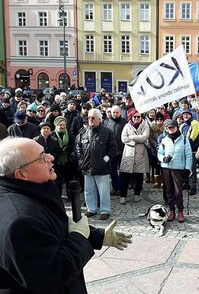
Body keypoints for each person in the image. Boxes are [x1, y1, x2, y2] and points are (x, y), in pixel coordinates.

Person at [0, 137, 131, 293]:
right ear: (21, 174)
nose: (51, 158)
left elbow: (54, 226)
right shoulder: (20, 221)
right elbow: (52, 275)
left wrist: (97, 236)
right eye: (42, 158)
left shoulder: (32, 189)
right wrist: (79, 237)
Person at [76, 108, 117, 220]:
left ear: (99, 119)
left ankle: (105, 210)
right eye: (89, 117)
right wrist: (81, 160)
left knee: (103, 191)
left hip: (102, 167)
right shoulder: (83, 132)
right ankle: (91, 209)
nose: (90, 120)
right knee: (89, 190)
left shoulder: (107, 132)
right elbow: (78, 146)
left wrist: (105, 160)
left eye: (92, 117)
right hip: (87, 166)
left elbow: (113, 149)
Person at [158, 120, 192, 223]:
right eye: (168, 128)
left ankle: (180, 211)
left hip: (178, 168)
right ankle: (171, 210)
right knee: (169, 190)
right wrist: (163, 158)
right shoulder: (164, 140)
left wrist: (187, 168)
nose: (170, 129)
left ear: (177, 127)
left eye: (172, 127)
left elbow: (188, 155)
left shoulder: (184, 139)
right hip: (166, 167)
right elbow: (159, 153)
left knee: (178, 191)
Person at [119, 109, 150, 204]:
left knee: (139, 176)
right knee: (124, 176)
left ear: (141, 117)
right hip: (128, 153)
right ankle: (123, 195)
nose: (136, 118)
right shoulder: (127, 126)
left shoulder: (145, 125)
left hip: (140, 154)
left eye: (138, 116)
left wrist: (132, 137)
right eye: (134, 116)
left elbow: (145, 137)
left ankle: (137, 194)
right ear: (131, 117)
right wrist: (136, 141)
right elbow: (123, 138)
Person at [104, 105, 126, 196]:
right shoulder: (106, 122)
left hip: (122, 150)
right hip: (111, 151)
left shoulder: (124, 122)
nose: (115, 114)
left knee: (122, 171)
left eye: (117, 112)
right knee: (112, 171)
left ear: (120, 113)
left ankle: (121, 188)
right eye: (114, 112)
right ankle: (115, 187)